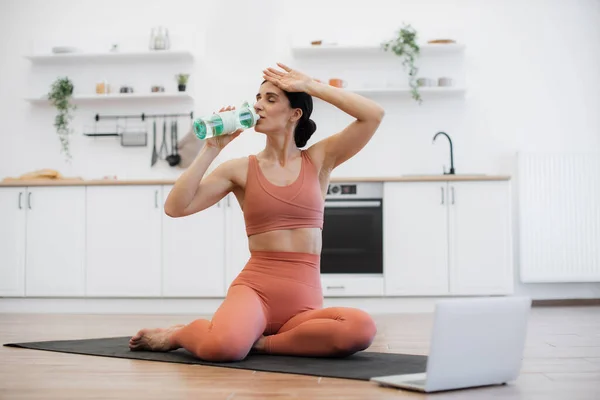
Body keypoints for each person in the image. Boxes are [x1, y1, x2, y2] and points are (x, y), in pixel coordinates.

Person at [129, 62, 386, 361]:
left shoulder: (319, 159)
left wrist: (311, 85)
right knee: (223, 348)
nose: (259, 106)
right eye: (258, 98)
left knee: (360, 328)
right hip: (255, 292)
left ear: (295, 114)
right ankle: (176, 334)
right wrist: (212, 147)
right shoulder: (239, 169)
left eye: (271, 99)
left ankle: (260, 343)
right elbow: (176, 207)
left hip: (303, 304)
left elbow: (373, 115)